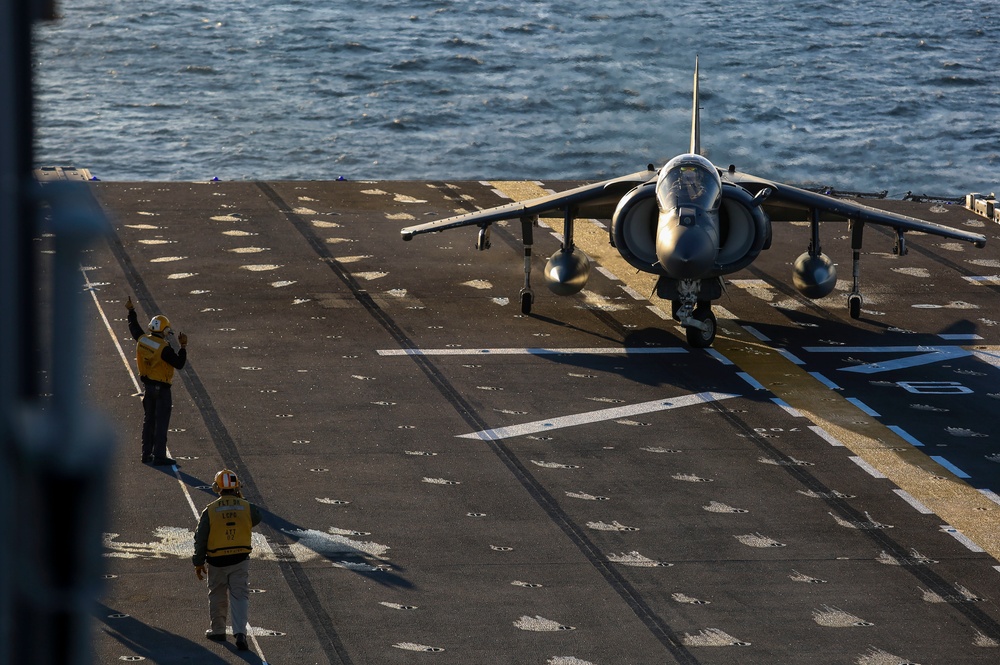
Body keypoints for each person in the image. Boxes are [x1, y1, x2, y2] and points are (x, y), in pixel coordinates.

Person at [192, 469, 262, 650]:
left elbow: (201, 538)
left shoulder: (211, 510)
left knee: (217, 594)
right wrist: (240, 498)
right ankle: (240, 633)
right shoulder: (246, 506)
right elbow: (256, 518)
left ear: (217, 488)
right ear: (237, 486)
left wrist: (198, 562)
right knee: (240, 595)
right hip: (240, 558)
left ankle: (218, 630)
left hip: (217, 560)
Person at [126, 296, 187, 466]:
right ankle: (159, 455)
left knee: (149, 420)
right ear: (165, 331)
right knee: (161, 423)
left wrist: (131, 311)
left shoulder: (143, 340)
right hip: (162, 389)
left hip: (148, 387)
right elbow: (179, 364)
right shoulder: (164, 348)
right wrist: (183, 348)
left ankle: (146, 454)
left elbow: (134, 328)